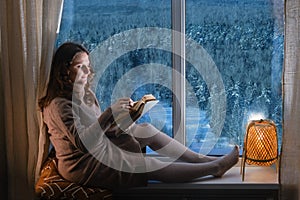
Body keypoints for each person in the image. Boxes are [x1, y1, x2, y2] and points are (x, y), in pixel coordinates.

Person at [39, 42, 239, 190]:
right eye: (79, 66)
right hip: (84, 164)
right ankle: (214, 167)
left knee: (145, 129)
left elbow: (102, 131)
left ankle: (200, 159)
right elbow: (83, 143)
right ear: (64, 71)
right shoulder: (58, 105)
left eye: (88, 65)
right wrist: (109, 114)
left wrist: (129, 117)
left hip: (99, 147)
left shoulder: (86, 94)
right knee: (146, 165)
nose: (87, 71)